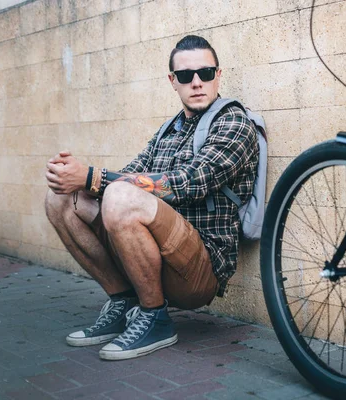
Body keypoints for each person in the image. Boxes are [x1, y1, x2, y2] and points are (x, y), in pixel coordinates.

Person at [44, 35, 259, 361]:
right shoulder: (167, 132)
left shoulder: (233, 121)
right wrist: (72, 178)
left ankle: (155, 318)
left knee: (118, 194)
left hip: (199, 269)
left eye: (206, 73)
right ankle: (123, 301)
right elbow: (128, 174)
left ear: (219, 74)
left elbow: (192, 182)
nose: (197, 82)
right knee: (60, 199)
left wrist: (92, 177)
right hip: (156, 259)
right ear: (173, 82)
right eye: (186, 76)